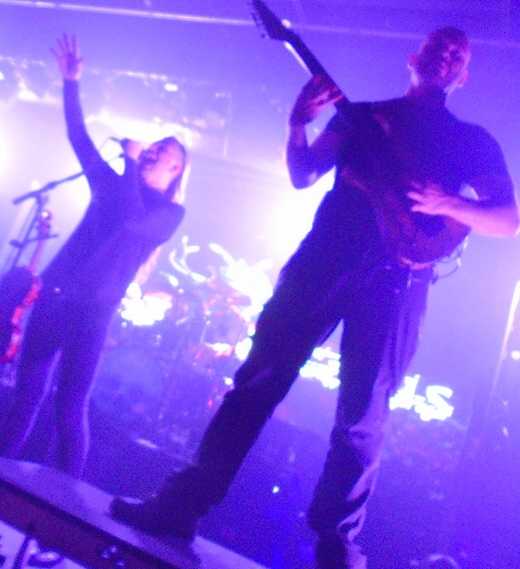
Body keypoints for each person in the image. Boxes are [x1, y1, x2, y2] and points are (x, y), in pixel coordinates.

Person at [111, 27, 519, 569]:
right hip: (323, 261)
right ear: (414, 57)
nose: (446, 54)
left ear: (463, 75)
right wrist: (297, 125)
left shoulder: (472, 142)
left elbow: (508, 218)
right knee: (257, 382)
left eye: (458, 53)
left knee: (363, 416)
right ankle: (180, 507)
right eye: (438, 46)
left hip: (398, 282)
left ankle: (337, 551)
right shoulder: (362, 116)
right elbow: (304, 174)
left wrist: (450, 204)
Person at [0, 34, 188, 480]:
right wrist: (71, 84)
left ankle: (64, 495)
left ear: (175, 169)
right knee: (26, 395)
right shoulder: (112, 182)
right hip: (55, 297)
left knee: (69, 407)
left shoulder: (169, 213)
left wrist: (130, 165)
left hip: (93, 313)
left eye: (162, 151)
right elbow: (79, 136)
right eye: (154, 146)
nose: (153, 150)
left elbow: (131, 217)